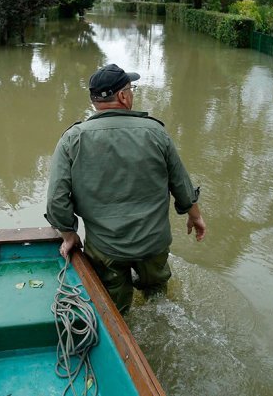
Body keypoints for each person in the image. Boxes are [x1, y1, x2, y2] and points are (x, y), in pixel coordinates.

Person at [45, 63, 206, 313]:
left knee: (115, 309)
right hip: (153, 243)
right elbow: (181, 183)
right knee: (157, 300)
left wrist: (69, 234)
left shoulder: (73, 139)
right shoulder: (156, 132)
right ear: (122, 96)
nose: (132, 93)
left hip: (106, 249)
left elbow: (56, 199)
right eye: (131, 89)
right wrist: (195, 216)